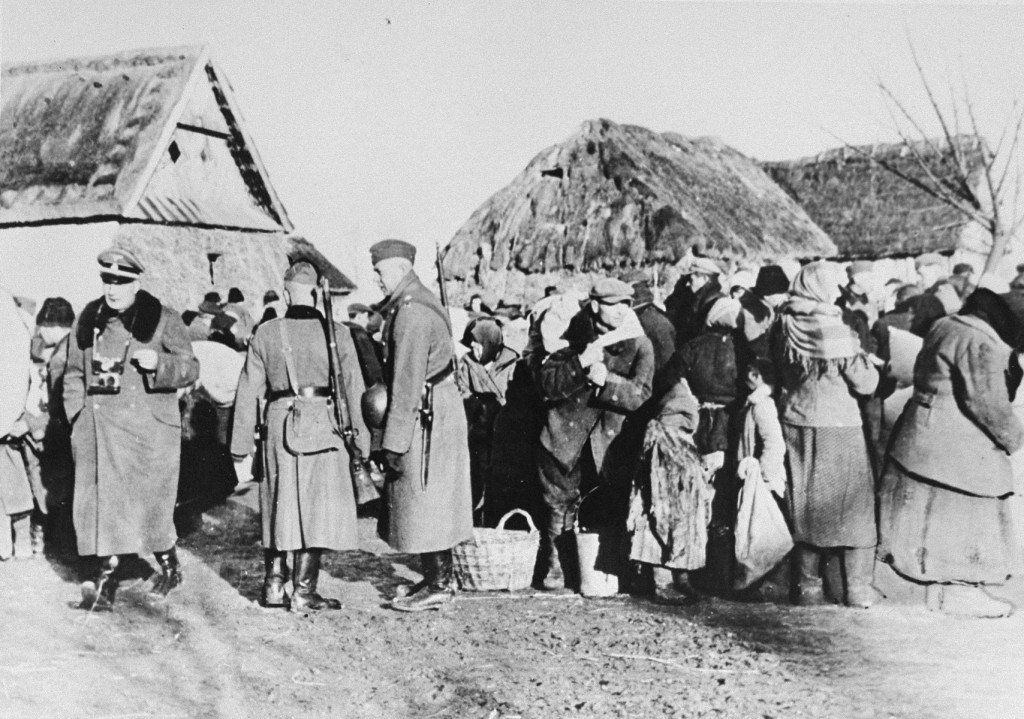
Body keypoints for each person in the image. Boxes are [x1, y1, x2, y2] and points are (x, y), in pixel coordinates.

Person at [231, 261, 369, 611]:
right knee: (315, 511)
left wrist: (239, 445)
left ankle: (274, 585)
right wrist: (362, 442)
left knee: (279, 504)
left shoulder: (266, 333)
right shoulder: (338, 333)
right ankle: (304, 592)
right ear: (318, 291)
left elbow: (248, 391)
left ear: (286, 291)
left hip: (279, 422)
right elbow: (354, 390)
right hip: (324, 423)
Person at [65, 248, 199, 609]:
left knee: (150, 507)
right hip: (100, 431)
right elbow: (73, 373)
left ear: (136, 283)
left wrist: (159, 363)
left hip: (148, 433)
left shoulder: (163, 319)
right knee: (104, 506)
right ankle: (105, 583)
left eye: (121, 282)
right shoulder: (89, 318)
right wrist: (78, 416)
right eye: (108, 280)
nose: (113, 289)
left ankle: (169, 564)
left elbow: (190, 368)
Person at [880, 289, 1024, 618]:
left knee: (934, 524)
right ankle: (963, 593)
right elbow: (987, 404)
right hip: (958, 448)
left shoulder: (946, 325)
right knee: (967, 521)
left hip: (924, 436)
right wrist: (1014, 438)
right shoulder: (980, 342)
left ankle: (938, 593)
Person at [370, 239, 473, 611]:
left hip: (428, 413)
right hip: (435, 408)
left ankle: (441, 583)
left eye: (380, 272)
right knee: (428, 496)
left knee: (425, 495)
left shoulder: (412, 313)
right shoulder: (415, 302)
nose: (377, 280)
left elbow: (406, 384)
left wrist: (393, 443)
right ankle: (435, 578)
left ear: (398, 269)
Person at [534, 278, 654, 591]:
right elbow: (547, 385)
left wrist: (607, 382)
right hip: (565, 433)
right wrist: (581, 363)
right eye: (614, 304)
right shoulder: (566, 335)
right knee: (560, 503)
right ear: (596, 305)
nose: (621, 311)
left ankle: (608, 569)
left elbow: (642, 394)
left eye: (626, 304)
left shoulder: (638, 342)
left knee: (611, 501)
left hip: (611, 439)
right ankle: (556, 567)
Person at [772, 261, 880, 609]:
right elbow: (866, 383)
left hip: (795, 422)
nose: (837, 291)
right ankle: (858, 590)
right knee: (854, 507)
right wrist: (866, 361)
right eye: (833, 284)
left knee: (804, 505)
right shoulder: (834, 328)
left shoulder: (783, 323)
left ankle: (808, 589)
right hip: (839, 427)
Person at [626, 378, 708, 604]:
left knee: (681, 536)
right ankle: (662, 584)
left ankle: (682, 579)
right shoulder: (661, 435)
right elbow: (658, 473)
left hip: (682, 501)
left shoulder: (680, 436)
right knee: (658, 538)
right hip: (660, 500)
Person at [456, 316, 520, 518]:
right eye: (472, 346)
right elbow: (461, 390)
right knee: (476, 474)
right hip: (478, 428)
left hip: (504, 431)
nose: (475, 351)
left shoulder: (512, 363)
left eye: (478, 346)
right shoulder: (466, 363)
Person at [664, 257, 724, 346]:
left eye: (696, 274)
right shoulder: (690, 293)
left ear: (705, 279)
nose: (691, 277)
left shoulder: (713, 301)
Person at [910, 253, 960, 337]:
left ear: (936, 271)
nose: (918, 279)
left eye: (920, 274)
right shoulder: (936, 290)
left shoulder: (942, 291)